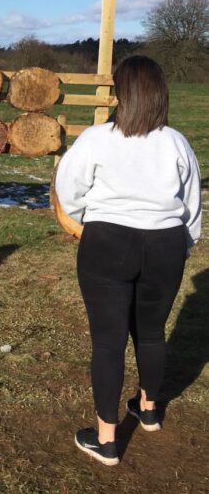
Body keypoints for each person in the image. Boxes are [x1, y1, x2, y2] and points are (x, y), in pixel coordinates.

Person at [55, 55, 201, 466]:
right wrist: (181, 247)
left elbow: (68, 188)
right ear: (160, 94)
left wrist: (90, 223)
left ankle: (106, 440)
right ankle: (149, 410)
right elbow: (191, 206)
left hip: (107, 243)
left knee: (108, 341)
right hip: (165, 246)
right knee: (152, 333)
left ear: (122, 93)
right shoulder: (176, 142)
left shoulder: (96, 139)